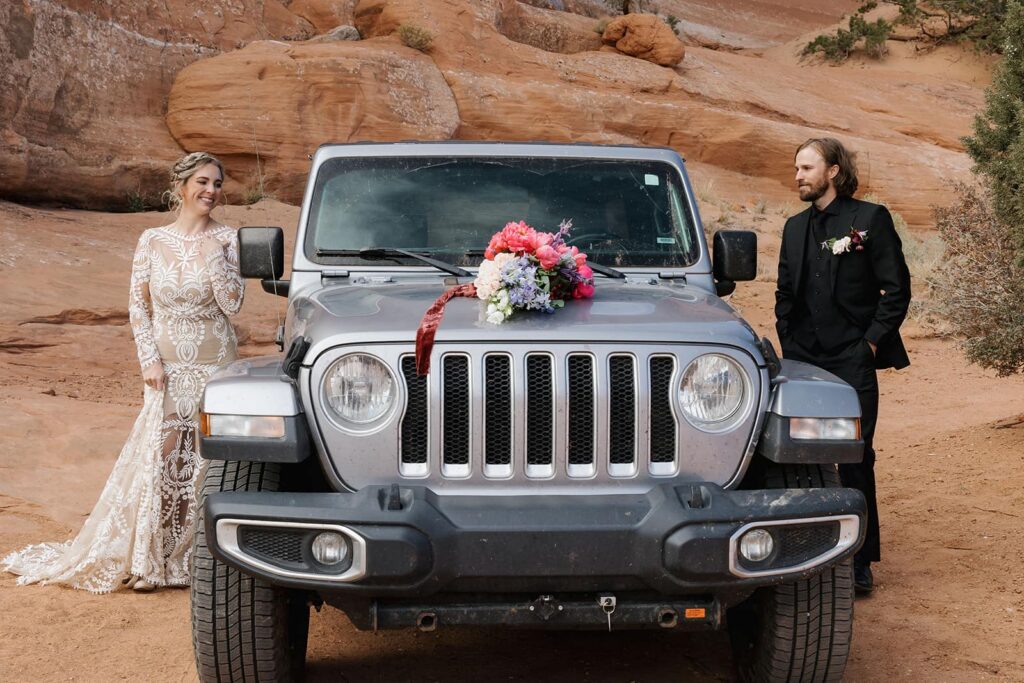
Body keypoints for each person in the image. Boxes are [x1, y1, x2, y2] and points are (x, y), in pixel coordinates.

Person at [3, 152, 244, 593]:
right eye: (203, 182)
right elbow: (138, 306)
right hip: (169, 367)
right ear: (182, 186)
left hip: (215, 365)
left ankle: (200, 561)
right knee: (165, 455)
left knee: (211, 461)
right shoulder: (151, 239)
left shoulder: (229, 240)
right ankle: (154, 561)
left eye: (217, 184)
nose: (211, 191)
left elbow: (232, 305)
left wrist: (214, 257)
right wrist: (148, 359)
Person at [775, 137, 911, 595]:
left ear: (833, 171)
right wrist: (790, 346)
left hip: (852, 359)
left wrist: (870, 345)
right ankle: (802, 552)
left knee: (856, 457)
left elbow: (897, 291)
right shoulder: (793, 228)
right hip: (803, 360)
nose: (798, 175)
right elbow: (784, 297)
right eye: (796, 168)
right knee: (799, 455)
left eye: (807, 167)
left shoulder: (868, 220)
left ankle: (859, 561)